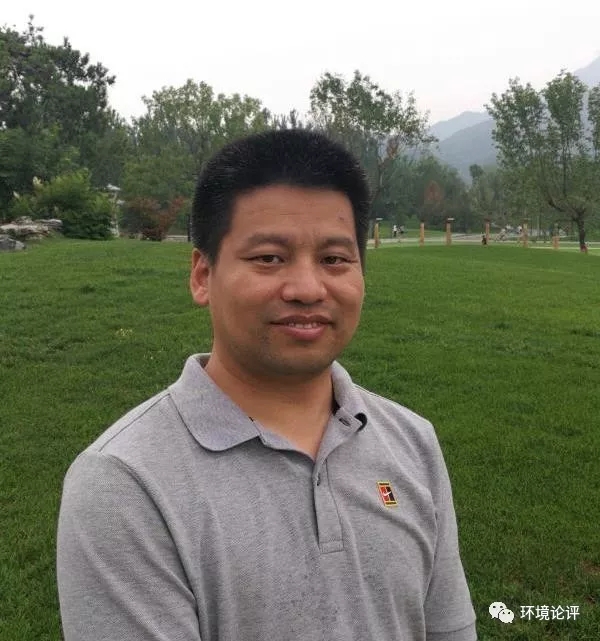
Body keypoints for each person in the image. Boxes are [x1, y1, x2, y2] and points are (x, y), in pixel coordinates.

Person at [57, 129, 477, 641]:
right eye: (269, 258)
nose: (307, 289)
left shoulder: (412, 442)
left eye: (334, 259)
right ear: (202, 275)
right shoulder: (124, 485)